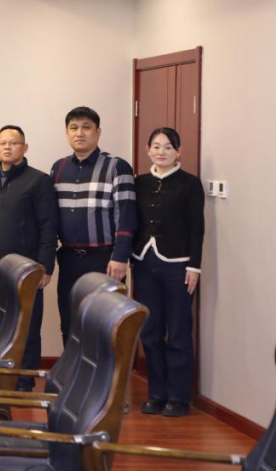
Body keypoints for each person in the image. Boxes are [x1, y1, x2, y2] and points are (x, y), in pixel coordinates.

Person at [0, 125, 58, 390]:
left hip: (28, 270)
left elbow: (48, 226)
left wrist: (45, 266)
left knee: (27, 326)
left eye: (13, 143)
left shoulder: (39, 181)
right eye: (3, 143)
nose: (8, 147)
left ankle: (24, 379)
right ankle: (2, 376)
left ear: (25, 148)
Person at [134, 127, 205, 418]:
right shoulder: (139, 183)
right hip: (143, 264)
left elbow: (197, 229)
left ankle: (178, 397)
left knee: (178, 332)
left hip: (179, 266)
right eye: (156, 146)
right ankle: (157, 394)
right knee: (150, 332)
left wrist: (194, 266)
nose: (161, 151)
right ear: (148, 150)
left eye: (167, 147)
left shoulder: (190, 184)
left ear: (178, 152)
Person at [51, 106, 137, 343]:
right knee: (70, 323)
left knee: (105, 325)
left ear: (98, 132)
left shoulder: (117, 166)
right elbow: (51, 216)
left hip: (105, 260)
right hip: (69, 259)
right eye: (74, 128)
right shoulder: (58, 168)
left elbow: (126, 214)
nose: (79, 133)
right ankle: (73, 368)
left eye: (86, 127)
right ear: (67, 133)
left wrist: (120, 257)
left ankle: (107, 370)